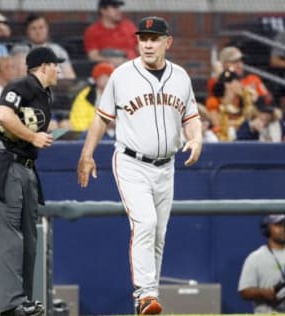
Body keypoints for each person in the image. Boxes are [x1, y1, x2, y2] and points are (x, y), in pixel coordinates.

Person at [77, 16, 202, 315]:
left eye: (154, 38)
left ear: (167, 42)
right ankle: (145, 294)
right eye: (143, 38)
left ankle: (148, 298)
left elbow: (192, 117)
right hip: (132, 162)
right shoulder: (122, 75)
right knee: (145, 224)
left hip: (166, 165)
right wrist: (87, 154)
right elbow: (101, 117)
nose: (147, 43)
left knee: (159, 233)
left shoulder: (181, 76)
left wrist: (196, 139)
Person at [0, 47, 64, 316]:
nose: (59, 69)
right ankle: (12, 304)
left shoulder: (44, 95)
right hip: (6, 165)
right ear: (43, 66)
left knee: (29, 239)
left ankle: (24, 301)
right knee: (9, 238)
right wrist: (33, 137)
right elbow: (3, 115)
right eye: (55, 65)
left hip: (27, 168)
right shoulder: (21, 85)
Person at [238, 215, 285, 313]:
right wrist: (264, 293)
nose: (283, 228)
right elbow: (244, 291)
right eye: (278, 225)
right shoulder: (255, 258)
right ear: (267, 230)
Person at [84, 0, 138, 66]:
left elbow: (140, 47)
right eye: (114, 7)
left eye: (118, 7)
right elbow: (93, 56)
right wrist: (111, 61)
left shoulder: (129, 26)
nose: (118, 10)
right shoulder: (92, 31)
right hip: (110, 68)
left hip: (133, 66)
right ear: (103, 10)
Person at [24, 14, 76, 79]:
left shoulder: (58, 50)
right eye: (33, 28)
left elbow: (70, 76)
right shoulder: (21, 50)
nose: (38, 32)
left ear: (47, 29)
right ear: (27, 31)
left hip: (59, 87)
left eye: (41, 27)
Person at [69, 61, 114, 132]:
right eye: (103, 77)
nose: (106, 80)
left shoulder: (117, 94)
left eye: (108, 77)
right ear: (96, 79)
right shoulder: (87, 95)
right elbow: (80, 118)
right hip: (90, 132)